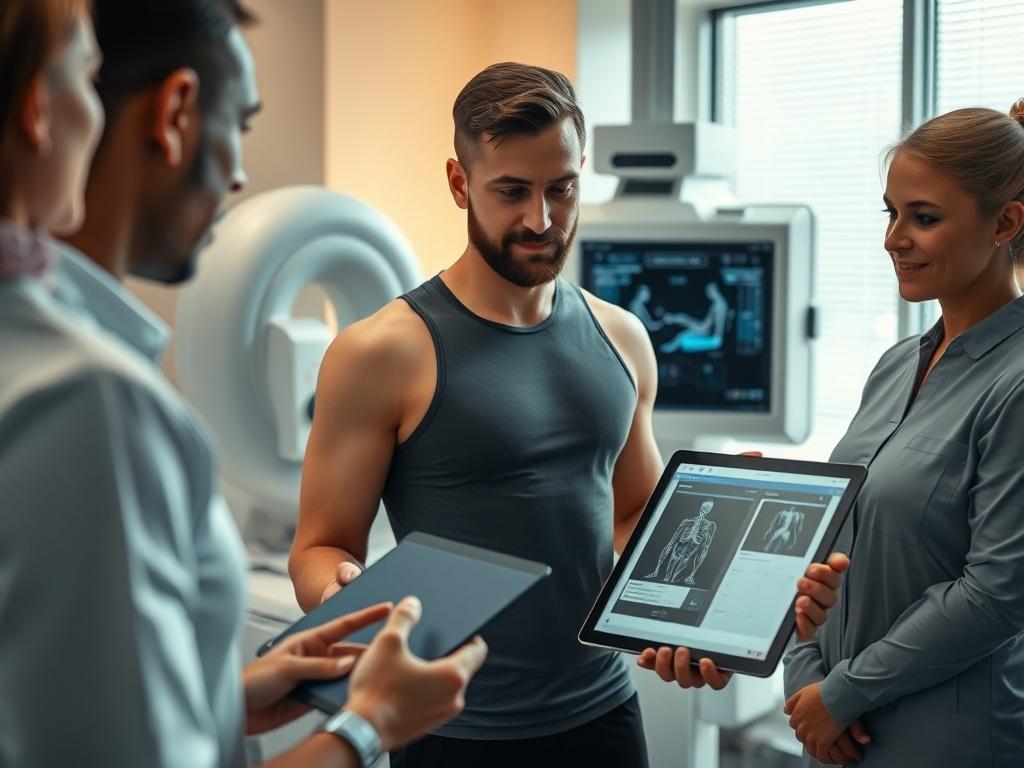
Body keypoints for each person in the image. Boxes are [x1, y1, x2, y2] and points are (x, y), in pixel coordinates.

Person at [289, 61, 849, 767]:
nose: (541, 219)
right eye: (512, 192)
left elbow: (630, 514)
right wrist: (345, 592)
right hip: (448, 729)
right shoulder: (381, 352)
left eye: (561, 188)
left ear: (583, 170)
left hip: (603, 716)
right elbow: (320, 548)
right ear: (460, 184)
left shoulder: (623, 337)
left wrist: (717, 595)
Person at [0, 1, 485, 766]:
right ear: (176, 113)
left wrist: (223, 694)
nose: (240, 174)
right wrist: (369, 724)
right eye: (84, 81)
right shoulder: (87, 401)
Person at [783, 102, 1024, 767]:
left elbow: (998, 592)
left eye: (924, 217)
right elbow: (829, 547)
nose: (894, 238)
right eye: (891, 213)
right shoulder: (896, 364)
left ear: (1005, 222)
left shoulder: (1017, 383)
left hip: (951, 744)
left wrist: (845, 692)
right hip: (835, 734)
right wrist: (805, 679)